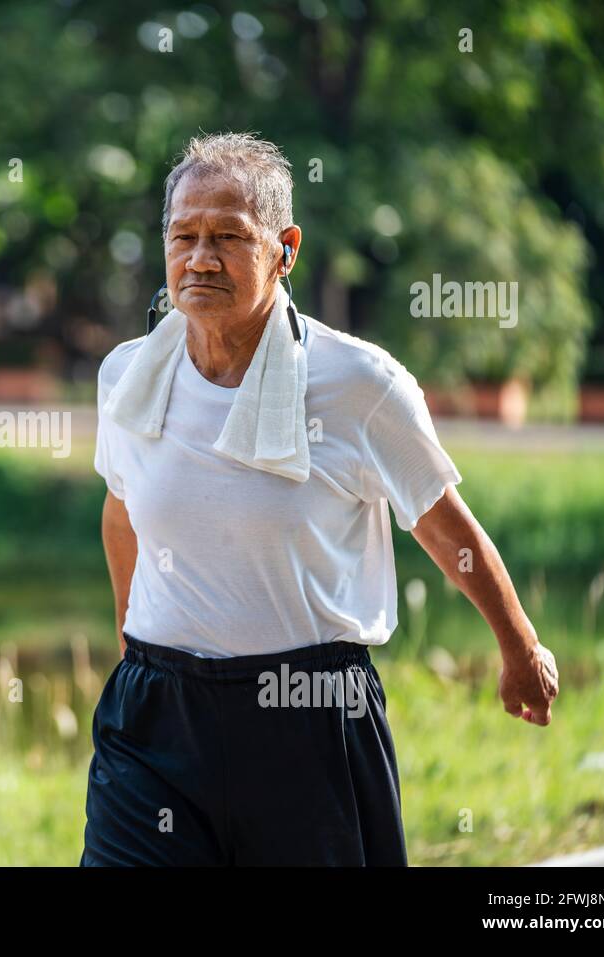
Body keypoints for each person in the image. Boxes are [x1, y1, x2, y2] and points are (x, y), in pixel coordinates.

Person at [80, 132, 559, 866]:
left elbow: (443, 527)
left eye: (229, 237)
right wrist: (130, 643)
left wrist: (519, 645)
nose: (200, 257)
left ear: (285, 248)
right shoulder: (128, 376)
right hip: (156, 717)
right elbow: (123, 510)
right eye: (184, 235)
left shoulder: (359, 385)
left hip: (307, 713)